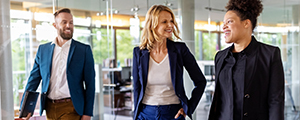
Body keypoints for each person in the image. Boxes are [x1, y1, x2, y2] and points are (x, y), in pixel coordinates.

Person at [208, 0, 284, 120]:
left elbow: (275, 100)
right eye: (224, 23)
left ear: (246, 23)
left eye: (230, 22)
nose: (224, 27)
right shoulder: (220, 57)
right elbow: (219, 99)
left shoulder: (270, 54)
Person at [132, 5, 207, 120]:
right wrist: (136, 115)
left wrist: (188, 108)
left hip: (173, 114)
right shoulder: (138, 53)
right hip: (145, 114)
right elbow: (136, 87)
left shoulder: (180, 50)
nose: (170, 25)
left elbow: (200, 81)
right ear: (152, 25)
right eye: (164, 22)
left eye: (171, 21)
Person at [19, 8, 95, 120]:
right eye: (64, 22)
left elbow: (90, 84)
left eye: (71, 22)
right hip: (49, 108)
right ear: (55, 25)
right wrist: (24, 111)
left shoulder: (83, 50)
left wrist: (87, 114)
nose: (68, 26)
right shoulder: (43, 50)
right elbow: (33, 81)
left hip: (71, 107)